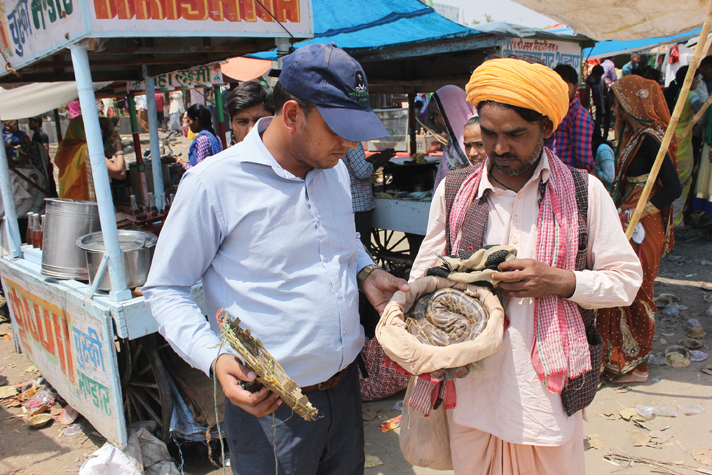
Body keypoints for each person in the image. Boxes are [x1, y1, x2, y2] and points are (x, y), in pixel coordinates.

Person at [143, 43, 410, 475]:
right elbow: (166, 288)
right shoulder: (213, 183)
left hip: (344, 392)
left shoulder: (335, 169)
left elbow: (341, 243)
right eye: (338, 127)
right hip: (269, 407)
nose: (350, 143)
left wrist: (365, 270)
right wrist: (214, 357)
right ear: (291, 115)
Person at [409, 57, 643, 475]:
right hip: (471, 388)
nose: (499, 148)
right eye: (489, 133)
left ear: (547, 129)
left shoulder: (584, 193)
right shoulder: (454, 190)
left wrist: (562, 281)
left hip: (545, 397)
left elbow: (626, 281)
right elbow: (422, 277)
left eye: (516, 135)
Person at [597, 75, 682, 384]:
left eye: (619, 103)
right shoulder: (633, 135)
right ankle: (618, 359)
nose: (615, 109)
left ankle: (639, 366)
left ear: (632, 103)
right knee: (618, 286)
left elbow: (673, 188)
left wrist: (639, 212)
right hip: (628, 220)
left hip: (644, 226)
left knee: (637, 289)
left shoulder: (651, 139)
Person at [663, 66, 702, 227]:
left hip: (670, 138)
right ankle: (676, 221)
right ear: (690, 79)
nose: (698, 81)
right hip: (683, 141)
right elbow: (701, 115)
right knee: (682, 182)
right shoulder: (691, 96)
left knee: (669, 180)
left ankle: (665, 218)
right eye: (696, 78)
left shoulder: (672, 93)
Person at [54, 116, 126, 201]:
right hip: (86, 203)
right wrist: (118, 144)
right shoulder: (87, 150)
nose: (101, 131)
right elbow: (120, 173)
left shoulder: (64, 149)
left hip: (68, 201)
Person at [546, 64, 595, 171]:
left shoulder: (578, 116)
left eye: (565, 86)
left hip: (567, 176)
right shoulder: (555, 110)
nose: (560, 91)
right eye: (556, 86)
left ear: (576, 86)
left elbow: (584, 159)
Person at [430, 85, 475, 191]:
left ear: (450, 112)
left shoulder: (472, 144)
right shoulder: (452, 143)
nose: (436, 121)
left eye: (437, 114)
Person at [174, 104, 223, 170]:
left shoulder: (202, 140)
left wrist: (179, 160)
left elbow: (198, 170)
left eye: (189, 121)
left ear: (196, 120)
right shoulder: (216, 137)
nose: (188, 125)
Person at [226, 80, 274, 146]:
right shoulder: (224, 156)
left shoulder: (289, 155)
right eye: (242, 122)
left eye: (259, 121)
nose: (251, 130)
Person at [587, 64, 607, 140]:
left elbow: (605, 93)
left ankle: (603, 137)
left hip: (603, 104)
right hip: (595, 104)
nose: (598, 77)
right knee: (596, 122)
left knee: (603, 122)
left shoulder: (602, 83)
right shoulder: (590, 81)